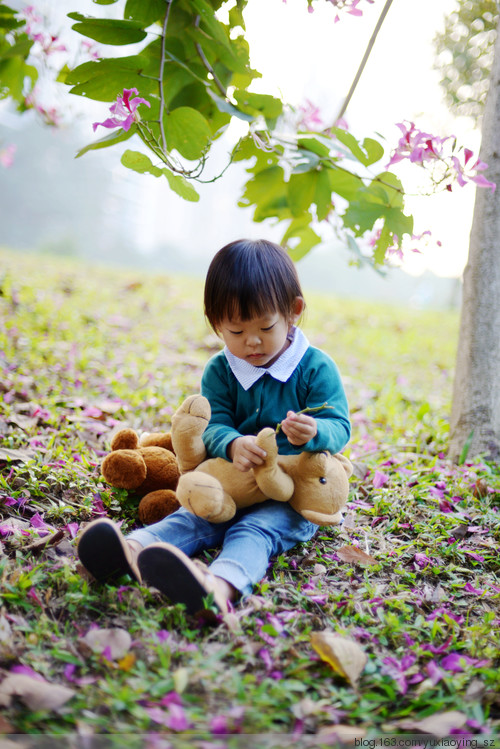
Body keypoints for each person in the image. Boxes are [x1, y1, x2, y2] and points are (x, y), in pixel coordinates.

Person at [77, 239, 351, 616]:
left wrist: (315, 432)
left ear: (293, 312)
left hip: (290, 495)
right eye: (235, 332)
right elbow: (214, 422)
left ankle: (217, 589)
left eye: (265, 327)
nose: (251, 342)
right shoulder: (221, 370)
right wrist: (232, 443)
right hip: (233, 481)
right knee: (193, 516)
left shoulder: (316, 367)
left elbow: (340, 425)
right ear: (216, 324)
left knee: (253, 532)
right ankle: (133, 550)